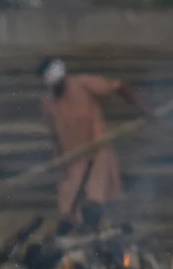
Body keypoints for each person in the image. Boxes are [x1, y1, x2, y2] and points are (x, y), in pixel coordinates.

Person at [38, 57, 147, 222]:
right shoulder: (48, 103)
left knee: (94, 203)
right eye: (54, 86)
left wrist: (143, 109)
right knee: (69, 210)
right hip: (72, 161)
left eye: (60, 84)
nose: (58, 88)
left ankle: (105, 236)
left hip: (97, 153)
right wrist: (57, 160)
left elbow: (118, 86)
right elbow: (55, 135)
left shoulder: (83, 84)